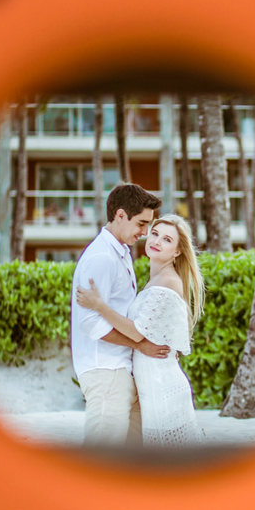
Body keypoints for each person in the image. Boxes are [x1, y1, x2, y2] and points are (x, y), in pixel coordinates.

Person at [76, 214, 205, 446]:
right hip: (150, 385)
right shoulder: (155, 279)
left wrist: (99, 306)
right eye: (155, 234)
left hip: (162, 385)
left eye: (167, 239)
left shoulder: (168, 281)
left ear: (177, 251)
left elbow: (137, 332)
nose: (156, 241)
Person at [70, 183, 169, 447]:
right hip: (106, 371)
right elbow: (91, 324)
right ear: (121, 215)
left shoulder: (119, 252)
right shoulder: (101, 258)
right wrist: (140, 344)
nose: (145, 233)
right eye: (141, 224)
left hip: (121, 370)